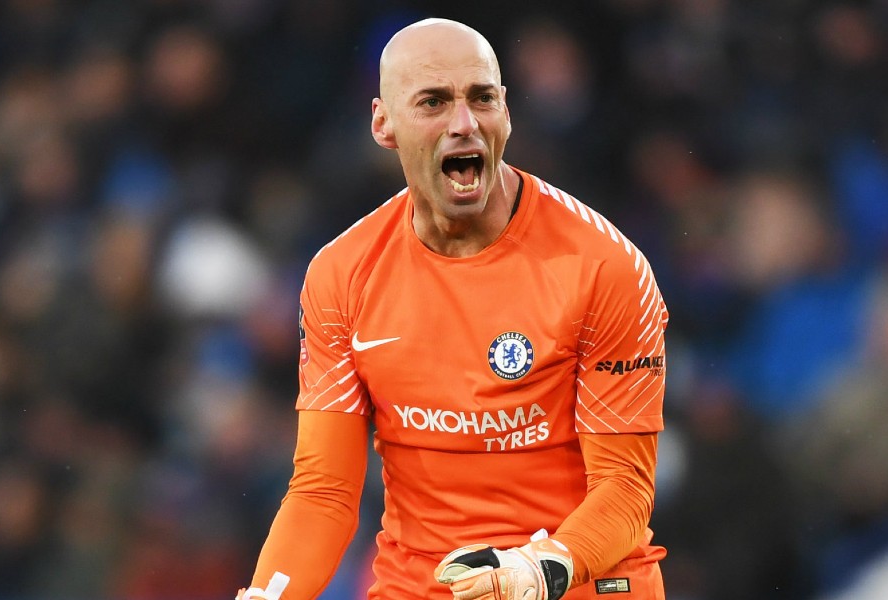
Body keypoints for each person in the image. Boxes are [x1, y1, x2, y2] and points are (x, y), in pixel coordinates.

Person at [238, 18, 668, 600]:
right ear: (383, 123)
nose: (464, 123)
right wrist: (266, 596)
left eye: (482, 98)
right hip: (423, 586)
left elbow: (626, 488)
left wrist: (539, 568)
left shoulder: (602, 267)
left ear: (506, 113)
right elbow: (324, 493)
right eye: (433, 102)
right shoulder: (341, 275)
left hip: (576, 579)